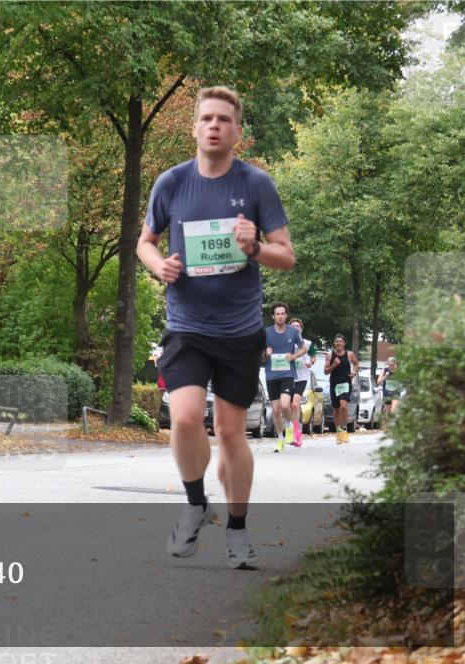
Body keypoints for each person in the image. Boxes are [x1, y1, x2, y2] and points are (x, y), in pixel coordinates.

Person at [137, 86, 295, 569]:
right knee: (184, 417)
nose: (214, 126)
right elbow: (145, 241)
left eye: (224, 120)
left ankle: (238, 530)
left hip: (240, 330)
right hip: (186, 326)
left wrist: (254, 249)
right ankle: (194, 502)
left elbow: (286, 256)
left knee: (230, 433)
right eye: (206, 118)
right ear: (194, 127)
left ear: (237, 131)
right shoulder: (171, 182)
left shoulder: (257, 184)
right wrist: (157, 265)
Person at [264, 303, 306, 452]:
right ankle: (280, 438)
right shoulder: (266, 333)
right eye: (277, 314)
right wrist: (265, 353)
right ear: (273, 316)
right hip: (271, 376)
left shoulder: (293, 332)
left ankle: (289, 426)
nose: (280, 316)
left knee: (284, 405)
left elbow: (304, 348)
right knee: (275, 410)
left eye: (283, 314)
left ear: (286, 315)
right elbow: (257, 353)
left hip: (287, 374)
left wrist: (293, 356)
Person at [323, 334, 359, 444]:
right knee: (336, 409)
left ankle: (344, 430)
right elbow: (326, 371)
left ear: (344, 343)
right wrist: (333, 365)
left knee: (343, 405)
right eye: (336, 341)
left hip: (345, 383)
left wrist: (354, 372)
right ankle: (338, 432)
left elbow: (356, 364)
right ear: (334, 343)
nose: (338, 343)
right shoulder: (330, 355)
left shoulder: (349, 354)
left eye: (340, 341)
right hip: (334, 384)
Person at [289, 318, 317, 446]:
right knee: (288, 406)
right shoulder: (285, 342)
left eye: (297, 326)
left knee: (294, 404)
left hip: (301, 377)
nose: (295, 327)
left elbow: (314, 356)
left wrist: (310, 362)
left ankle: (296, 433)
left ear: (301, 328)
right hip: (287, 376)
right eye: (293, 325)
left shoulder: (308, 343)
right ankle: (289, 429)